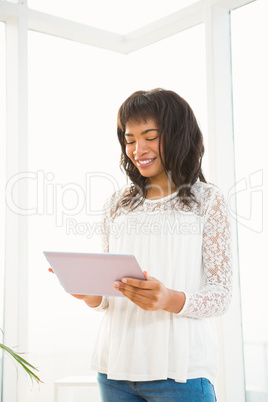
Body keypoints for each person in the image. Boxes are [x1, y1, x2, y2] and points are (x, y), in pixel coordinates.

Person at [52, 88, 233, 401]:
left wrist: (168, 298)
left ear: (177, 135)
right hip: (114, 373)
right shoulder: (117, 204)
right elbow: (109, 297)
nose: (138, 148)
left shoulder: (208, 201)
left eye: (150, 135)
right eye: (130, 138)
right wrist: (89, 294)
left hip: (181, 375)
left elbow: (221, 296)